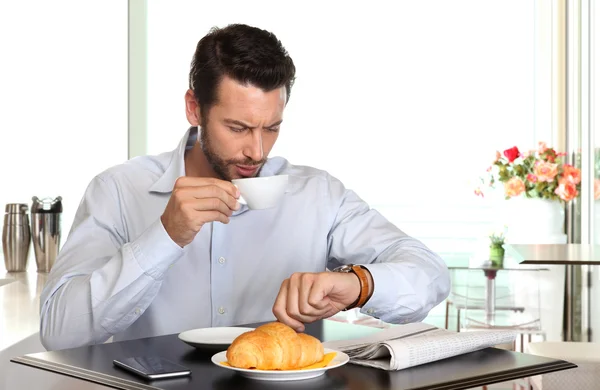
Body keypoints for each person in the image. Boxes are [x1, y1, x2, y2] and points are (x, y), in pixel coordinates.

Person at [39, 23, 450, 351]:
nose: (256, 150)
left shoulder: (316, 195)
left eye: (271, 128)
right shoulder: (118, 190)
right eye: (237, 128)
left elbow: (429, 274)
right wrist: (164, 237)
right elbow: (60, 331)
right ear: (194, 108)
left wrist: (358, 284)